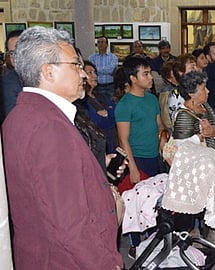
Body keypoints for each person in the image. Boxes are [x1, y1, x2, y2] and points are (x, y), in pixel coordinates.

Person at [2, 26, 123, 269]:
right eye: (75, 66)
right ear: (48, 71)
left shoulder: (21, 115)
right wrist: (108, 264)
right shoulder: (49, 127)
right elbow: (70, 225)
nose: (84, 75)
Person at [115, 56, 169, 258]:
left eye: (149, 73)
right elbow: (123, 140)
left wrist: (163, 139)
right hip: (136, 159)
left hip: (154, 158)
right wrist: (133, 168)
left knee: (153, 205)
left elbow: (160, 125)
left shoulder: (152, 99)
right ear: (133, 78)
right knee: (136, 206)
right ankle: (135, 246)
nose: (150, 77)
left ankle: (152, 244)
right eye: (145, 74)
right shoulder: (125, 105)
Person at [172, 71, 215, 250]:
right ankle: (193, 241)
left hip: (211, 164)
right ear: (191, 93)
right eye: (203, 88)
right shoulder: (183, 114)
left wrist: (214, 133)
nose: (208, 91)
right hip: (195, 171)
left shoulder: (206, 107)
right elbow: (181, 146)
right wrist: (200, 135)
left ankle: (213, 237)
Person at [83, 60, 118, 154]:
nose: (95, 76)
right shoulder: (81, 101)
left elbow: (116, 114)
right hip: (95, 149)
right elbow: (98, 122)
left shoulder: (101, 96)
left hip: (110, 144)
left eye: (95, 72)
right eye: (90, 72)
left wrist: (107, 115)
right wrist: (108, 115)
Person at [1, 29, 23, 123]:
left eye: (21, 51)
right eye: (12, 53)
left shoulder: (47, 75)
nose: (17, 57)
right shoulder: (7, 84)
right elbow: (14, 120)